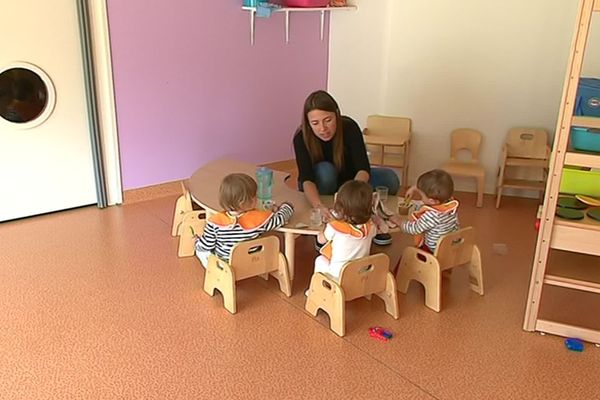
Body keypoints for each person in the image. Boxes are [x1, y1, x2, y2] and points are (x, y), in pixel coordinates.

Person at [292, 89, 399, 245]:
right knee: (325, 171)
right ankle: (328, 226)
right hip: (320, 184)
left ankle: (366, 218)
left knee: (390, 179)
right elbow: (306, 179)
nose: (323, 128)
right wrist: (319, 206)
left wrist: (351, 195)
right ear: (308, 123)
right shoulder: (301, 137)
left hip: (350, 182)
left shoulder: (349, 127)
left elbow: (363, 168)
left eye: (327, 120)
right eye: (315, 123)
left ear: (337, 114)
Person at [194, 173, 294, 267]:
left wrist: (197, 243)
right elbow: (280, 219)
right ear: (242, 204)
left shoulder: (214, 223)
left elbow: (206, 245)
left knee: (201, 249)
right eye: (254, 196)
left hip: (227, 265)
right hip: (254, 261)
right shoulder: (259, 221)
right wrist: (287, 206)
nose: (257, 198)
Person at [313, 180, 377, 281]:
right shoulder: (371, 227)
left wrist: (323, 228)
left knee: (320, 260)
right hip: (361, 273)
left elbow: (321, 240)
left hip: (338, 275)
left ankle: (316, 291)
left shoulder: (335, 227)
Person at [389, 169, 459, 254]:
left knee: (408, 254)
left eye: (422, 196)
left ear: (432, 201)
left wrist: (398, 221)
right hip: (450, 248)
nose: (421, 198)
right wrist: (414, 188)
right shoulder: (449, 205)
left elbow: (414, 229)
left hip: (433, 252)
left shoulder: (432, 215)